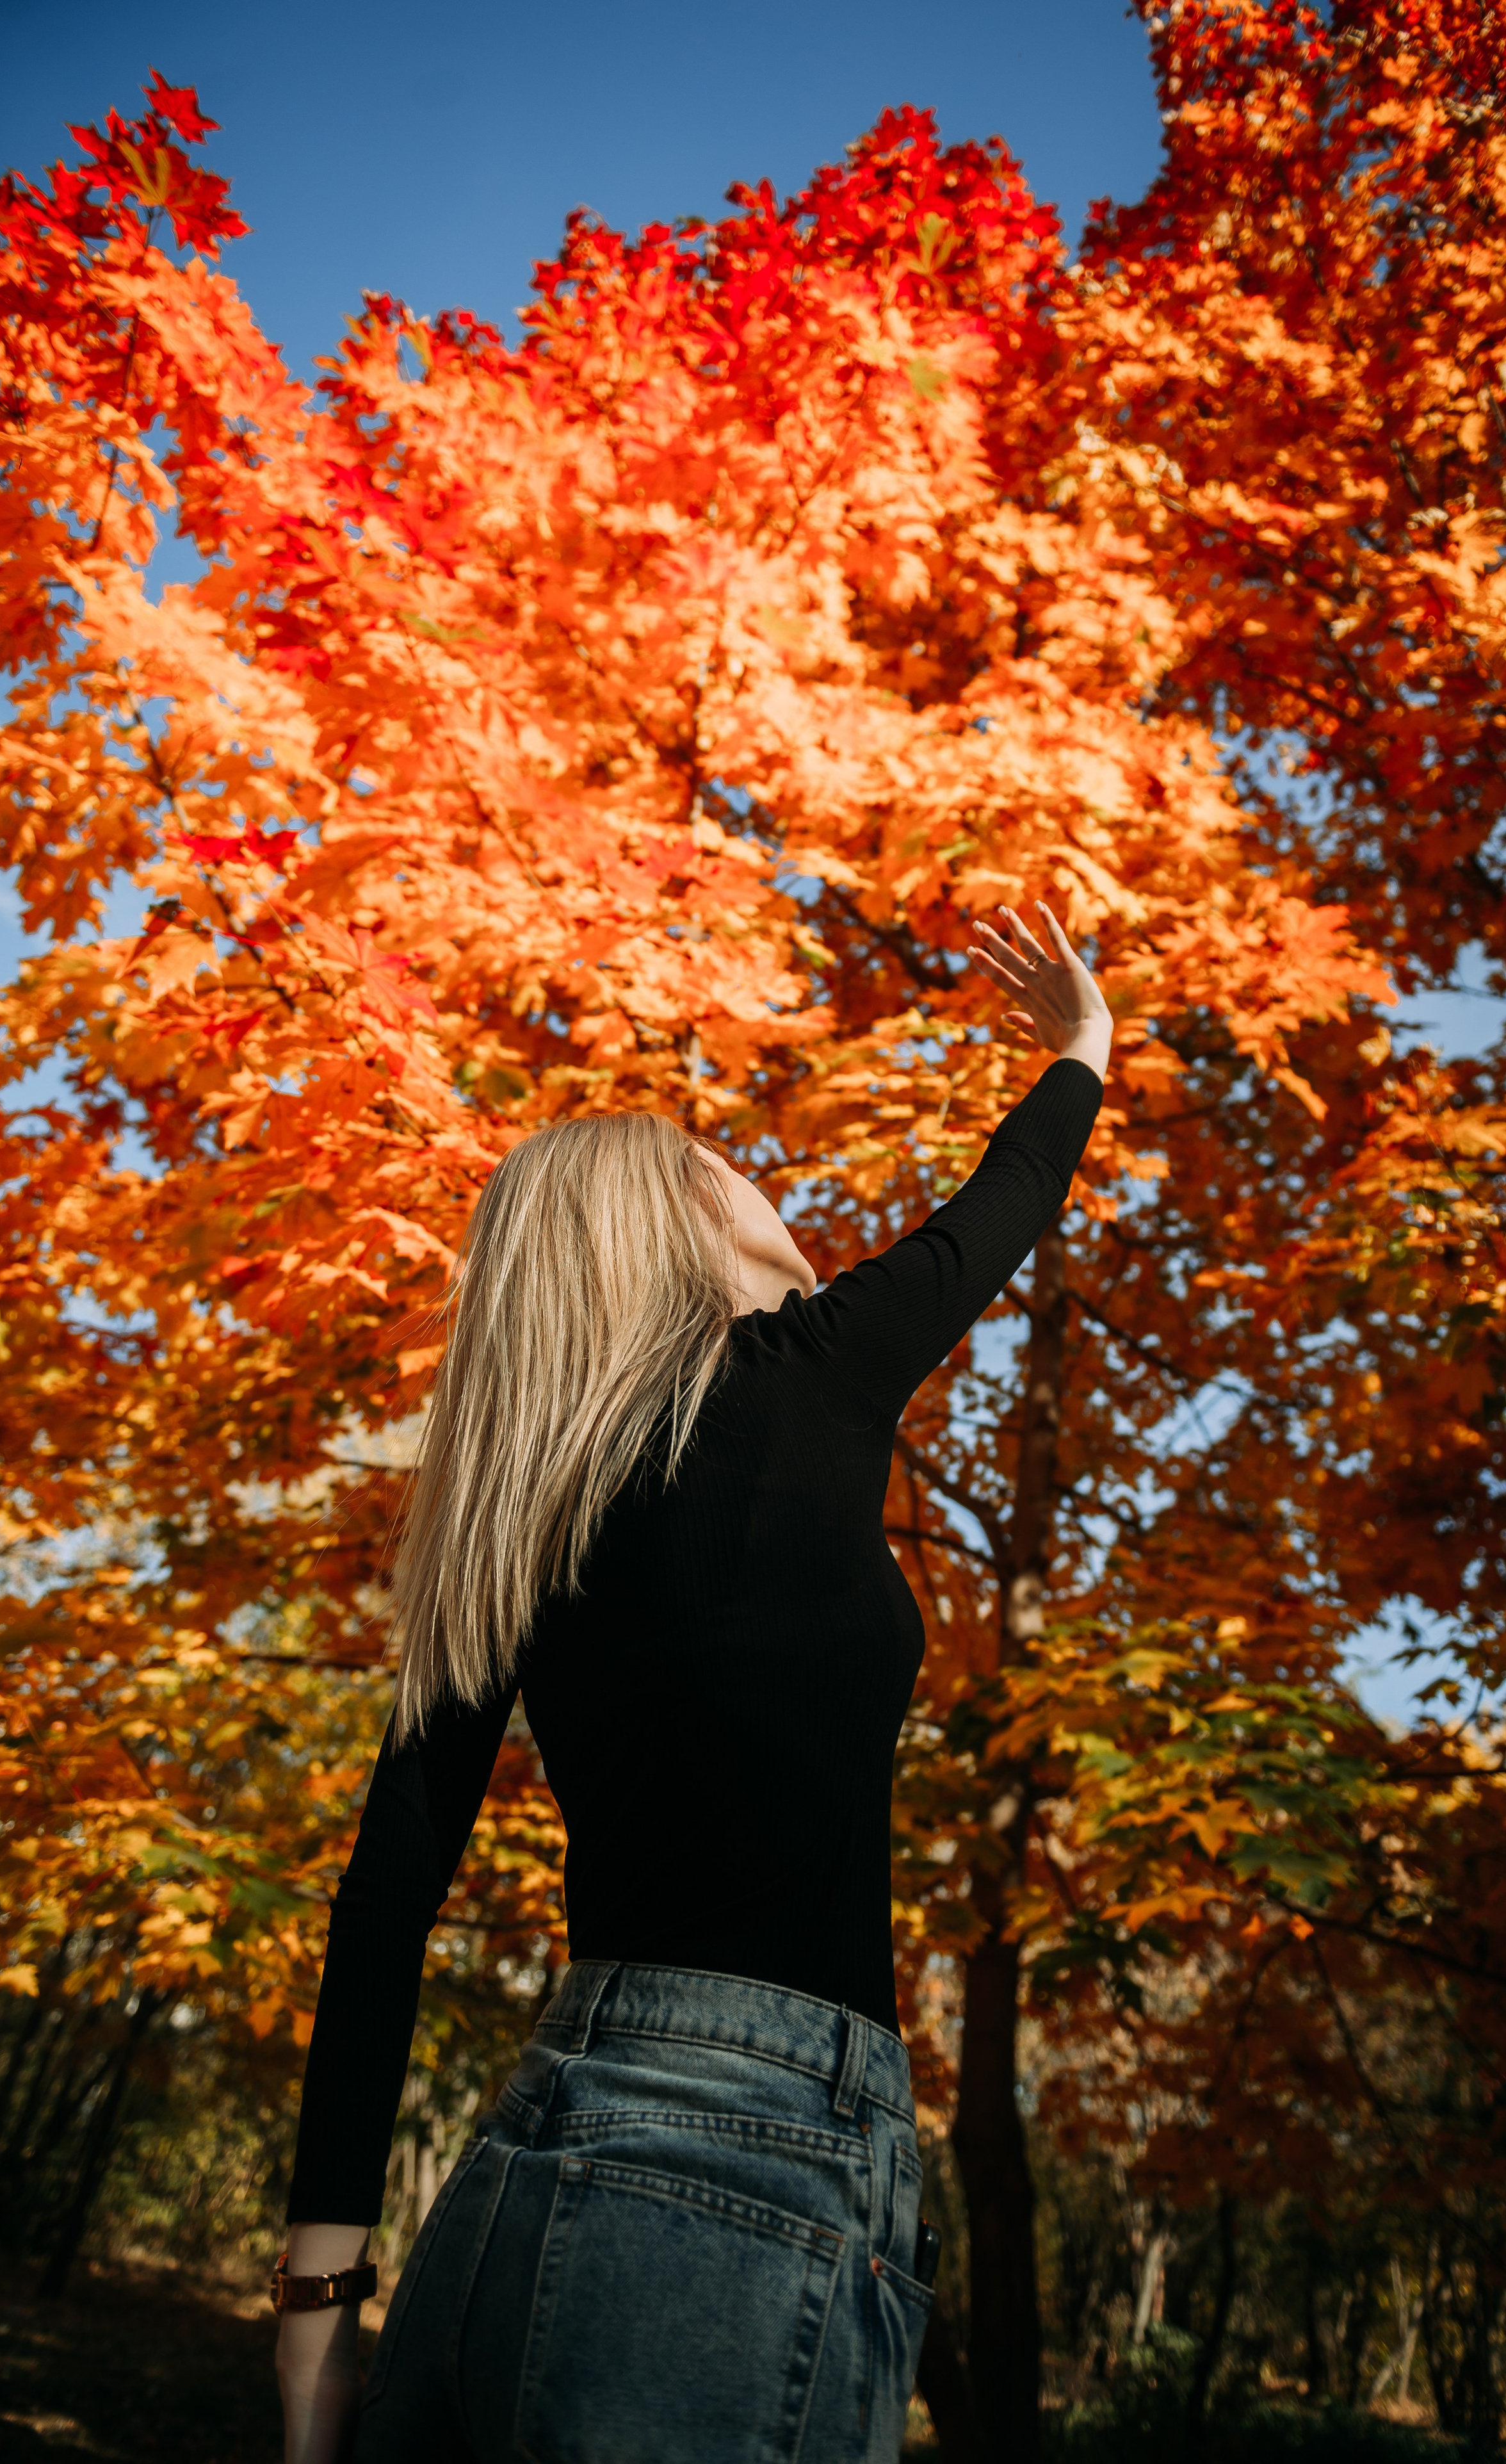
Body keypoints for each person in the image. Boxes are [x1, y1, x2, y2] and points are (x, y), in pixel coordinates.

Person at [275, 902, 1111, 2463]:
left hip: (516, 2174)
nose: (766, 1183)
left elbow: (384, 1899)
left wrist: (313, 2309)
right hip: (746, 2178)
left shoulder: (512, 1511)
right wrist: (1081, 1046)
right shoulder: (800, 1374)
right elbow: (992, 1212)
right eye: (732, 1164)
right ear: (683, 1219)